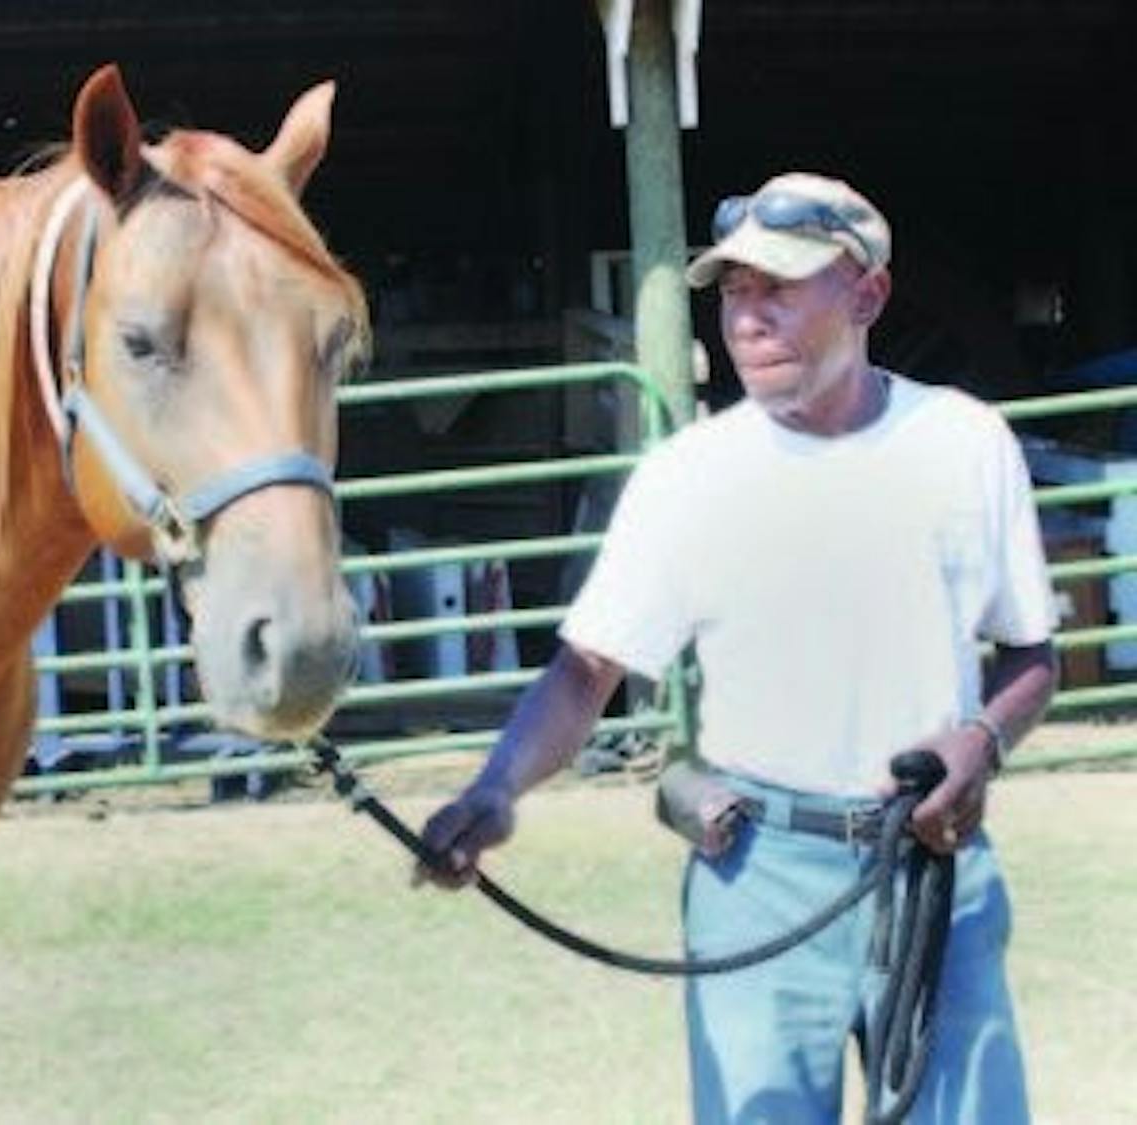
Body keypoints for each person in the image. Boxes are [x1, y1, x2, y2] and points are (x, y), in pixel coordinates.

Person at [417, 171, 1058, 1124]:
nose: (748, 318)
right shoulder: (689, 477)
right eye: (733, 293)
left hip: (933, 876)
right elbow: (586, 670)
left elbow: (1032, 657)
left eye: (779, 287)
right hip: (756, 871)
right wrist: (496, 787)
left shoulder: (968, 445)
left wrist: (985, 743)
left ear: (867, 294)